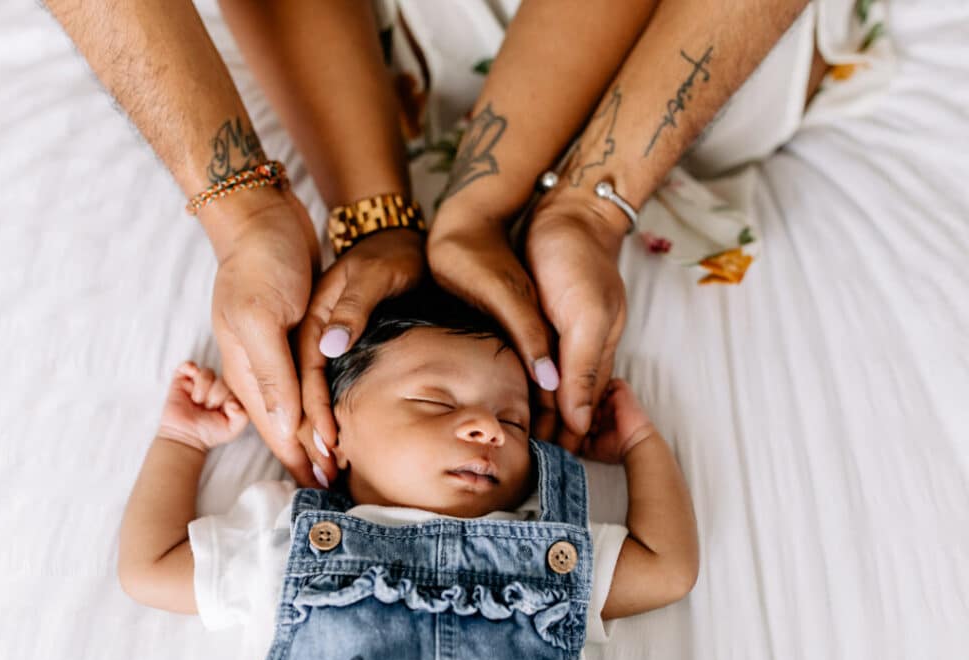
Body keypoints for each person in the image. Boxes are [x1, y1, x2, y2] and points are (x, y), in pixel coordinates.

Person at [44, 0, 814, 488]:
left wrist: (585, 206)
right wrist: (270, 218)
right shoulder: (283, 553)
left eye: (511, 418)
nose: (488, 429)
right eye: (512, 419)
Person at [117, 286, 699, 660]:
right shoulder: (285, 536)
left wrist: (639, 446)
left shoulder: (550, 552)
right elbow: (150, 568)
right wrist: (183, 440)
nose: (487, 429)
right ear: (332, 426)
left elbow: (667, 568)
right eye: (433, 401)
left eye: (513, 420)